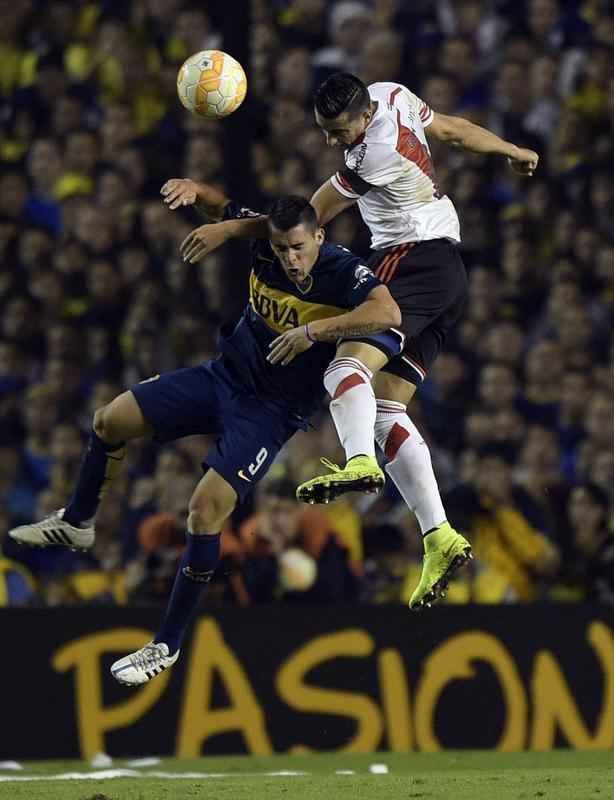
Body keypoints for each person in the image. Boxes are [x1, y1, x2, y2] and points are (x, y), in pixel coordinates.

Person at [166, 73, 538, 609]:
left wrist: (228, 227)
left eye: (339, 132)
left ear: (364, 118)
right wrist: (510, 149)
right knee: (386, 407)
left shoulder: (371, 154)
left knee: (344, 366)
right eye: (324, 130)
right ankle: (438, 535)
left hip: (409, 258)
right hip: (446, 269)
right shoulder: (391, 94)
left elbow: (308, 220)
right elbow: (453, 130)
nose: (331, 141)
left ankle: (359, 460)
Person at [9, 188, 400, 685]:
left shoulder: (342, 270)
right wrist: (198, 194)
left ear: (319, 236)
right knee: (109, 420)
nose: (290, 258)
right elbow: (224, 208)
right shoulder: (266, 243)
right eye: (281, 248)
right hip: (222, 377)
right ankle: (77, 521)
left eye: (299, 247)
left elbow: (388, 314)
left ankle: (166, 644)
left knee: (204, 509)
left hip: (269, 411)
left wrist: (312, 333)